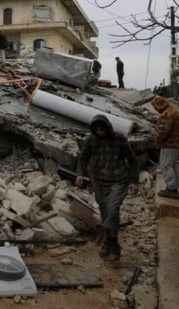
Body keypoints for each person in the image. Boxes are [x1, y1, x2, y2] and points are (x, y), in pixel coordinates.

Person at [75, 115, 139, 262]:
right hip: (98, 181)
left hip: (118, 180)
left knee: (113, 209)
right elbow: (83, 158)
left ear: (107, 127)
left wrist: (134, 181)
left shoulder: (119, 139)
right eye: (97, 129)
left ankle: (109, 242)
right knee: (105, 212)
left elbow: (132, 160)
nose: (100, 132)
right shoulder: (90, 140)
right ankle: (113, 243)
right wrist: (80, 174)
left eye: (102, 129)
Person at [152, 97, 179, 199]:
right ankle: (174, 186)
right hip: (176, 144)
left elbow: (164, 131)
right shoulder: (174, 111)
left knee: (166, 165)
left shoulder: (167, 114)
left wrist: (157, 140)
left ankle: (171, 189)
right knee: (173, 165)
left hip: (169, 145)